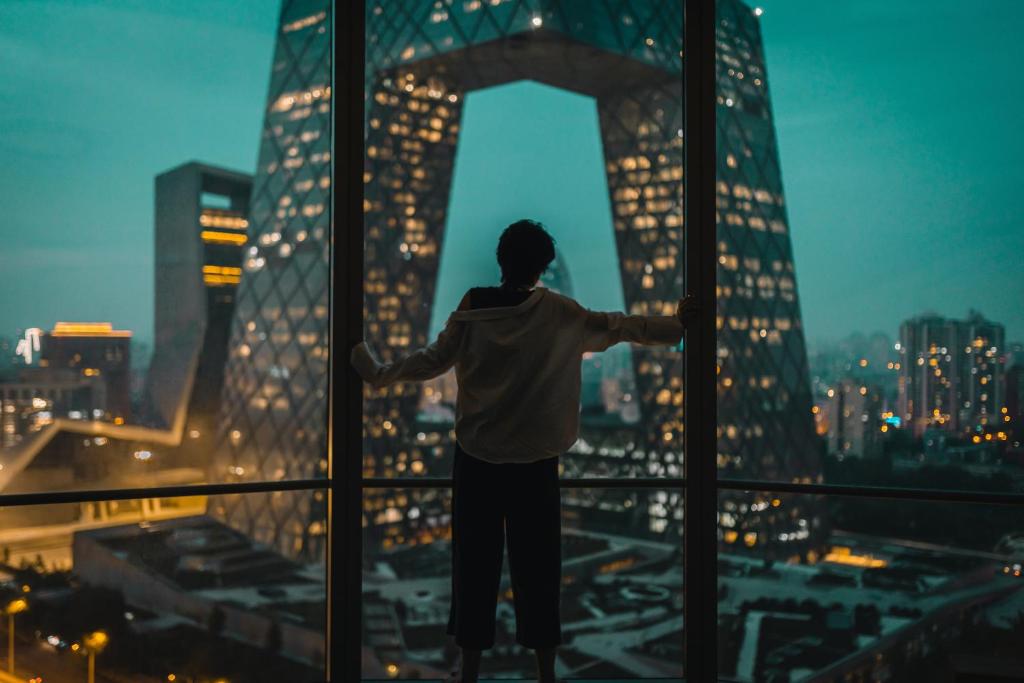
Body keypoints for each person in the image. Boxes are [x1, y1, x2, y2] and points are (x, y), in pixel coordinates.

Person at [351, 219, 696, 683]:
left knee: (474, 568)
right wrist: (678, 324)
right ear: (543, 268)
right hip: (536, 465)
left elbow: (431, 361)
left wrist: (379, 374)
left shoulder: (474, 306)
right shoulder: (558, 313)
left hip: (476, 463)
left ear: (501, 260)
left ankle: (468, 671)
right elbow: (620, 327)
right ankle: (545, 673)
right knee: (539, 570)